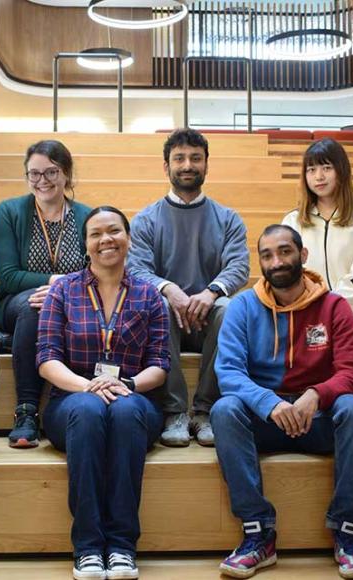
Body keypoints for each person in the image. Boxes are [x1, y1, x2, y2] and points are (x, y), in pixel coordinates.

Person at [211, 224, 353, 580]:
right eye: (267, 255)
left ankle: (347, 532)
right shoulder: (242, 307)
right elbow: (229, 373)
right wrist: (269, 403)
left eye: (285, 251)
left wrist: (316, 396)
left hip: (317, 417)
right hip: (267, 419)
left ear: (302, 255)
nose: (277, 261)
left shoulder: (334, 307)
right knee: (224, 410)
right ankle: (258, 533)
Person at [37, 207, 170, 580]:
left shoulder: (149, 295)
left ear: (128, 238)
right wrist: (88, 386)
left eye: (114, 231)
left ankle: (123, 546)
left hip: (134, 396)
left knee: (125, 412)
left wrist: (126, 386)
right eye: (96, 233)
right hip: (71, 400)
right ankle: (89, 548)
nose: (105, 239)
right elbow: (47, 359)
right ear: (86, 243)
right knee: (90, 410)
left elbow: (160, 365)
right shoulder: (63, 289)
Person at [129, 128, 249, 447]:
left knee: (231, 309)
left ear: (207, 165)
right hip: (166, 318)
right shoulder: (146, 219)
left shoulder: (228, 218)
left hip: (210, 314)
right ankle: (174, 412)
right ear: (166, 166)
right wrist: (169, 289)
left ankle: (205, 410)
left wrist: (210, 293)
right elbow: (136, 268)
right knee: (158, 307)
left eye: (196, 158)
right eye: (179, 158)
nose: (187, 165)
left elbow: (239, 266)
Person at [281, 137, 353, 452]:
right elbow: (287, 271)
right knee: (314, 336)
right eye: (312, 169)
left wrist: (329, 307)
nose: (318, 176)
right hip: (304, 313)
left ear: (341, 171)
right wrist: (310, 306)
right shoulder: (293, 221)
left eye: (326, 168)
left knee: (329, 337)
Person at [0, 140, 92, 448]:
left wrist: (59, 289)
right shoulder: (10, 211)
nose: (42, 181)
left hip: (73, 304)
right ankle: (27, 411)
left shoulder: (86, 216)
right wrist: (54, 284)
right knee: (37, 307)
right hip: (18, 303)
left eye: (51, 172)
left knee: (50, 304)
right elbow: (8, 277)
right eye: (34, 173)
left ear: (67, 174)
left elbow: (95, 272)